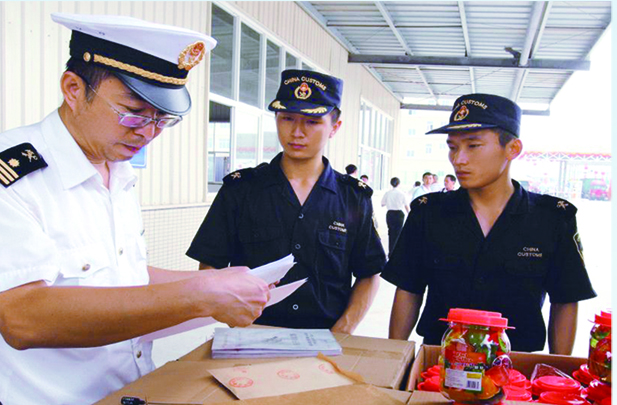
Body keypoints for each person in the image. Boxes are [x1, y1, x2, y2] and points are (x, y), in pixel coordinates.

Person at [0, 13, 271, 405]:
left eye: (164, 118)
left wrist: (225, 285)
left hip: (129, 390)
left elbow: (123, 272)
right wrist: (197, 294)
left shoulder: (117, 168)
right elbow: (22, 317)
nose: (148, 132)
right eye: (133, 112)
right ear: (73, 89)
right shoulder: (15, 176)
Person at [382, 93, 596, 354]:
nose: (458, 159)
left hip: (515, 370)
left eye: (473, 146)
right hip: (437, 366)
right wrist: (393, 357)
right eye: (452, 147)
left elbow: (565, 300)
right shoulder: (429, 213)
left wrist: (556, 371)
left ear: (512, 149)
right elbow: (409, 290)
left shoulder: (551, 219)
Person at [187, 69, 386, 333]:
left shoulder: (353, 197)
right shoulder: (241, 190)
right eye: (287, 118)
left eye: (312, 122)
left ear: (334, 127)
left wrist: (343, 331)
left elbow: (369, 273)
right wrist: (229, 314)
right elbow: (209, 264)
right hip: (251, 335)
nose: (297, 132)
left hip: (326, 339)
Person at [381, 177, 410, 255]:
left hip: (390, 214)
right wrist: (409, 214)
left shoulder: (387, 193)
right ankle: (397, 253)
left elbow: (382, 204)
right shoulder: (402, 193)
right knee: (398, 233)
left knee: (391, 233)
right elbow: (406, 206)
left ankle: (390, 252)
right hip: (399, 214)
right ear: (399, 184)